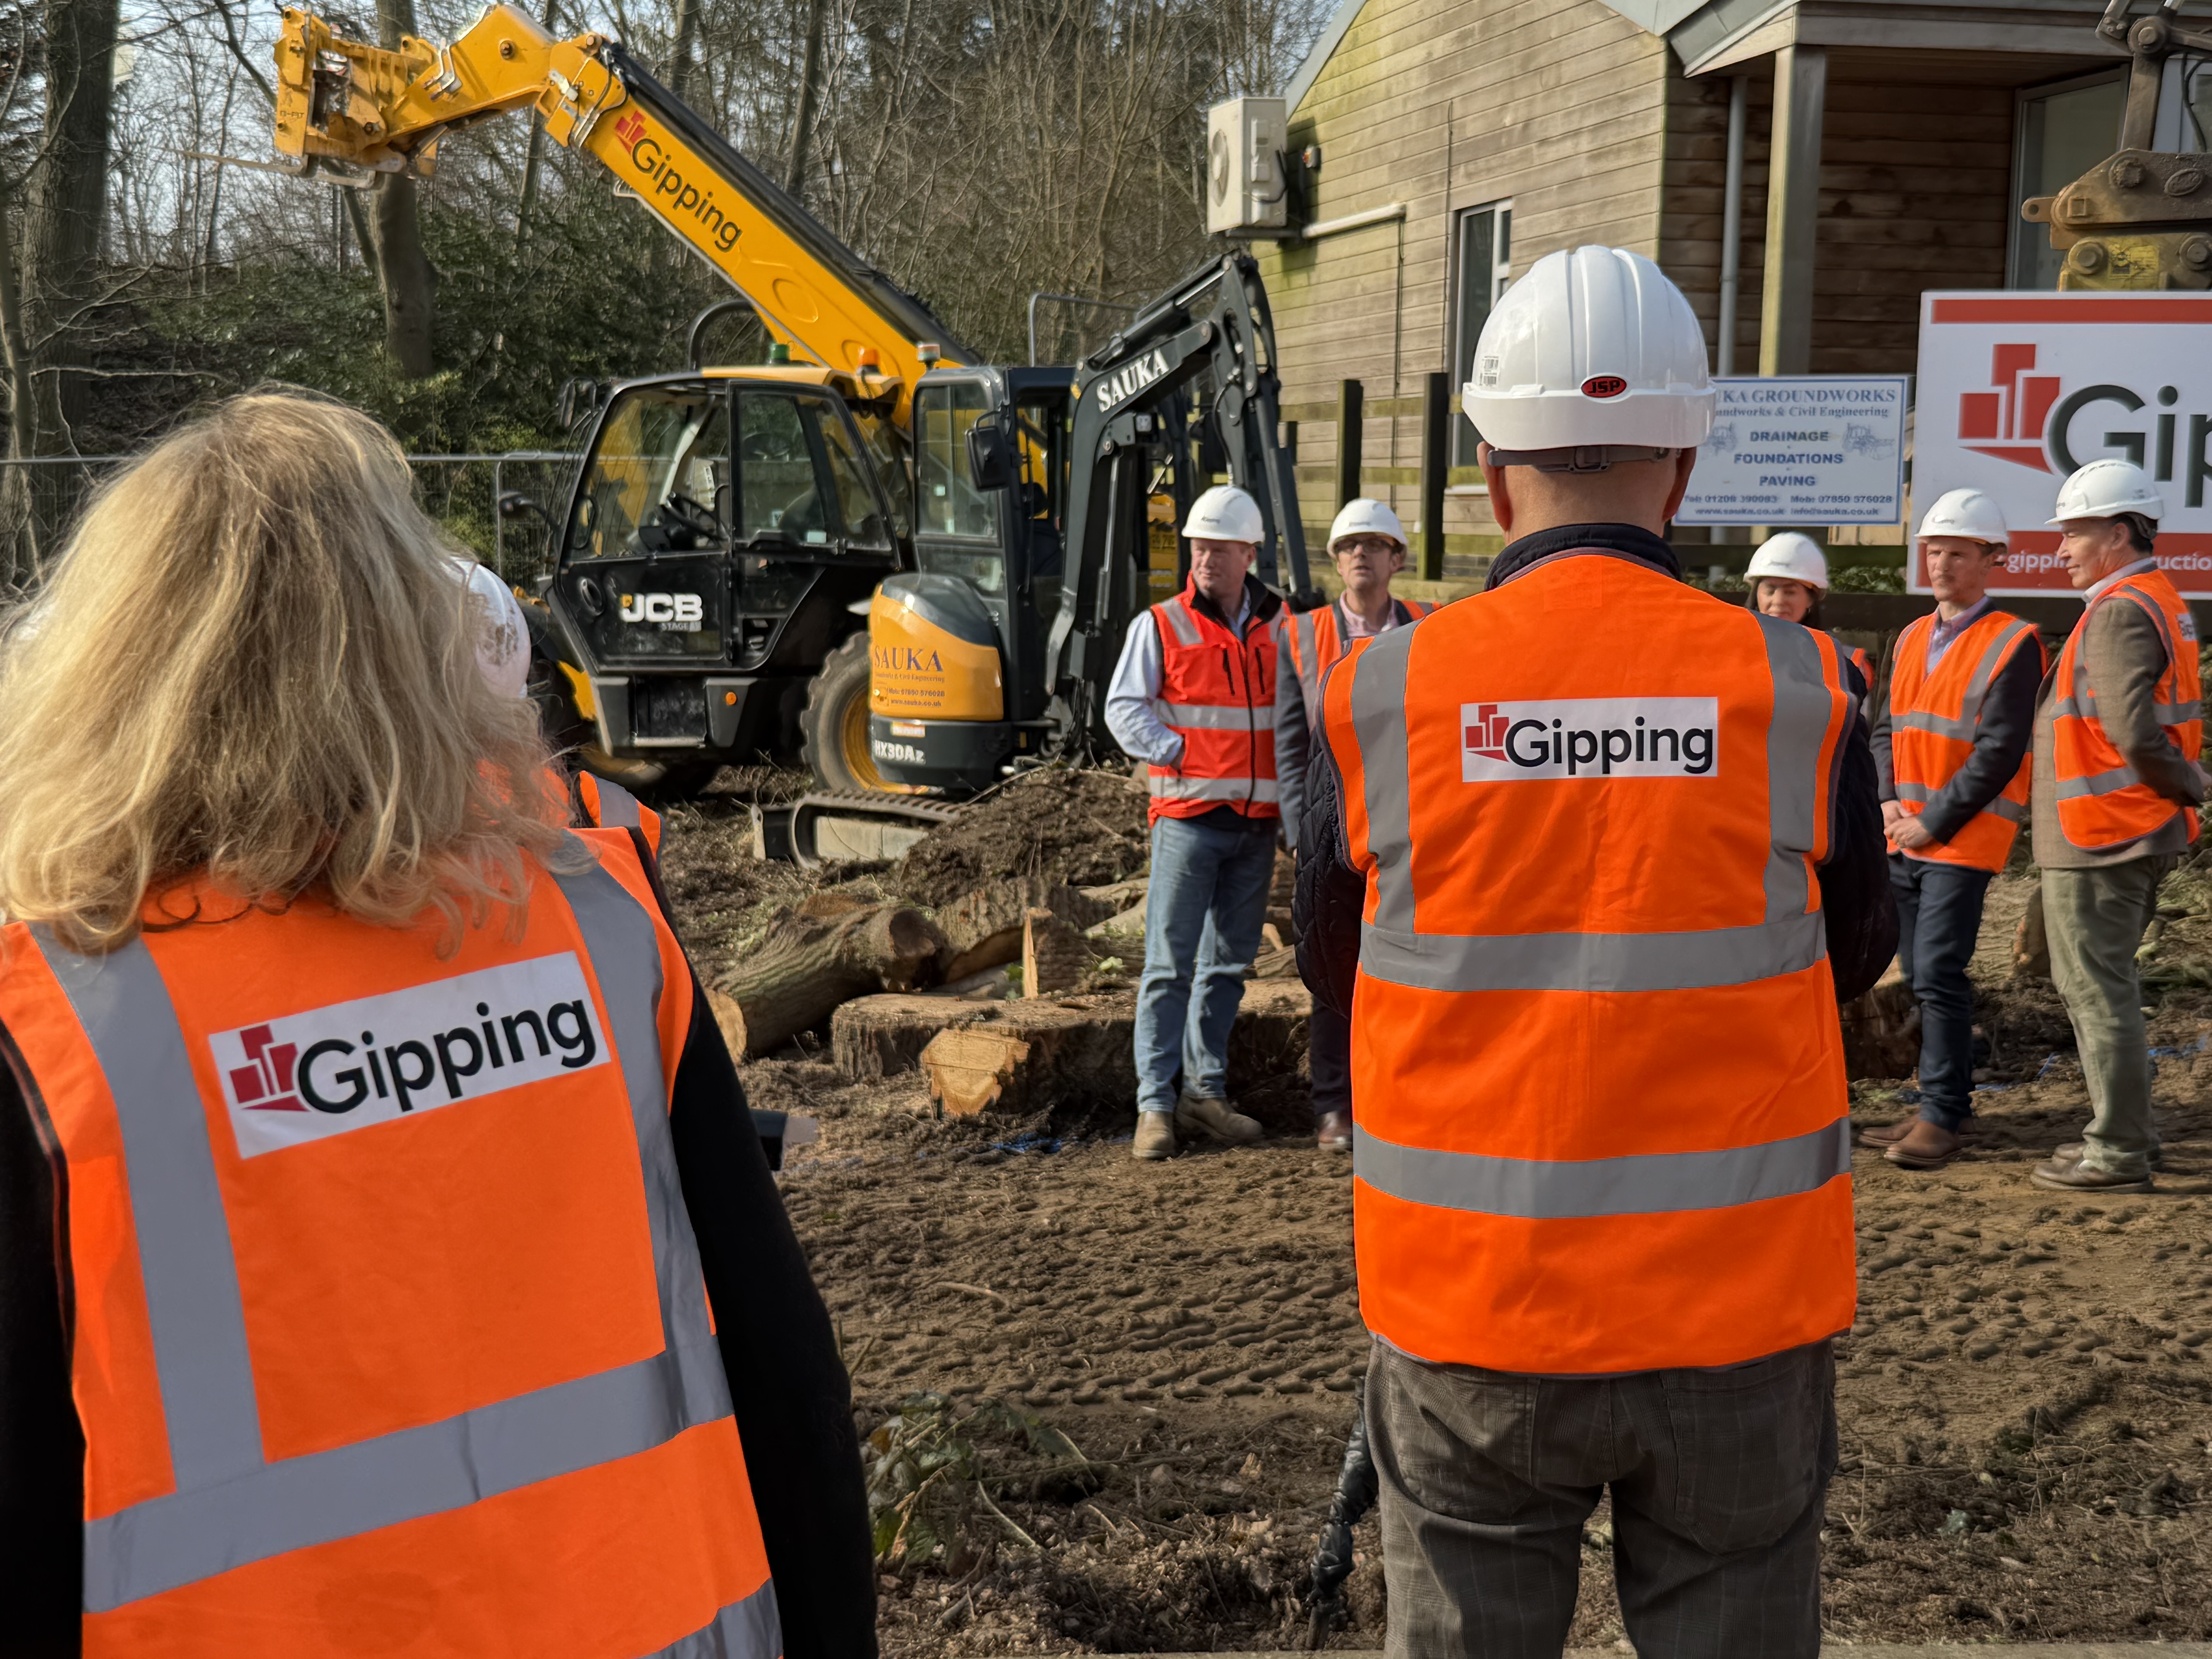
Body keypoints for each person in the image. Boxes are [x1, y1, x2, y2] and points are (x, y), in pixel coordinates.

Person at [0, 392, 874, 1658]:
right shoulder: (597, 927)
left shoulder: (61, 1022)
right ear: (415, 647)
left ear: (101, 671)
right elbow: (789, 1381)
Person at [1294, 245, 1894, 1659]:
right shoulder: (1800, 686)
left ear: (1493, 478)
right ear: (1681, 473)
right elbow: (1855, 947)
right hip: (1736, 1315)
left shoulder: (1381, 692)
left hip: (1469, 1314)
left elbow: (1337, 958)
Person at [2028, 457, 2203, 1193]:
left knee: (2097, 993)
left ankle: (2117, 1149)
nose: (2061, 549)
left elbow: (2133, 733)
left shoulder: (2121, 609)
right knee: (2109, 988)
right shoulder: (2156, 599)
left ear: (2119, 531)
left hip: (2101, 833)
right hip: (2124, 826)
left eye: (2074, 533)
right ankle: (2127, 1134)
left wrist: (2188, 783)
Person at [1858, 489, 2045, 1171]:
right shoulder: (1909, 636)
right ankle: (1944, 1103)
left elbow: (1997, 752)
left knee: (1938, 969)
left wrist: (1929, 821)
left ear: (1991, 559)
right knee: (1918, 970)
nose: (1939, 563)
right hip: (1901, 831)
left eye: (1956, 552)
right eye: (1933, 550)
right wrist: (1884, 803)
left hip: (1959, 838)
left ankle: (1940, 1113)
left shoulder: (2013, 642)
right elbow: (1884, 729)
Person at [1105, 483, 1281, 1161]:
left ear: (1249, 552)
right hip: (1188, 817)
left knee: (1229, 964)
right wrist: (1178, 750)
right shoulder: (1162, 623)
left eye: (1219, 546)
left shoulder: (1282, 623)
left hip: (1257, 822)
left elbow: (1294, 713)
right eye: (1198, 545)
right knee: (1169, 964)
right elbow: (1125, 709)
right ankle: (1155, 1105)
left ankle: (1205, 1093)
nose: (1205, 556)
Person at [1276, 497, 1434, 1153]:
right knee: (1331, 963)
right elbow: (1288, 743)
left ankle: (1396, 1102)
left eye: (1373, 544)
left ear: (1397, 558)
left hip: (1404, 821)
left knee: (1410, 963)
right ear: (1336, 561)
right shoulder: (1301, 634)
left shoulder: (1428, 626)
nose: (1360, 555)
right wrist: (1298, 831)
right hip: (1330, 826)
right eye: (1348, 546)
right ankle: (1334, 1107)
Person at [1746, 531, 1873, 704]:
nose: (1778, 601)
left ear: (1812, 598)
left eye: (1790, 592)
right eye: (1770, 590)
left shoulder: (1847, 663)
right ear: (1757, 595)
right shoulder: (1737, 655)